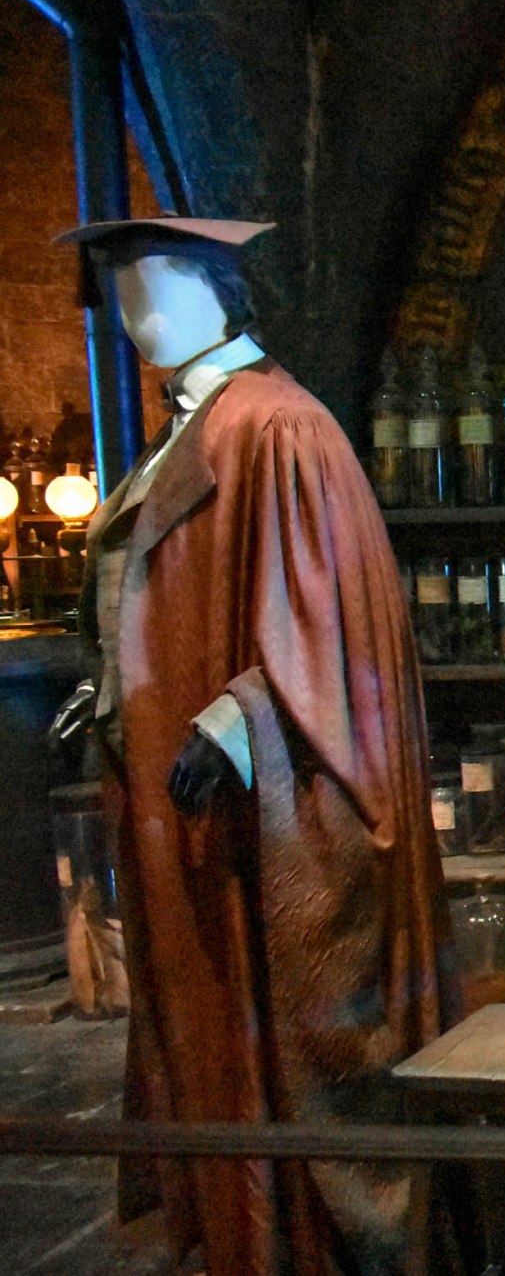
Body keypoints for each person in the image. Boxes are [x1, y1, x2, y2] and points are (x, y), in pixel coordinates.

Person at [48, 217, 452, 1274]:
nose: (140, 314)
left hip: (263, 803)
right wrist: (104, 692)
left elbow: (329, 622)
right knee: (206, 1020)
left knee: (298, 1022)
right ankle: (237, 1233)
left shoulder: (279, 427)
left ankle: (314, 1246)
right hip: (180, 803)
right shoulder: (194, 426)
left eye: (159, 286)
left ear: (220, 290)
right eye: (125, 293)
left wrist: (239, 722)